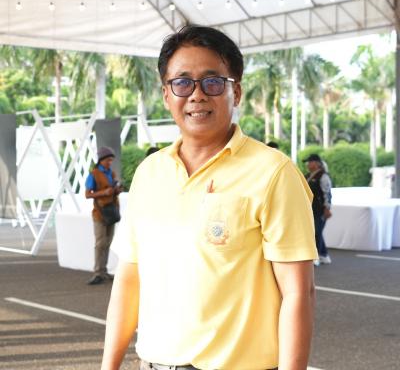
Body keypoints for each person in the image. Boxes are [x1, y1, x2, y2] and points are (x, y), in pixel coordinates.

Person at [101, 25, 318, 370]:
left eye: (213, 82)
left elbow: (298, 293)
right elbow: (129, 281)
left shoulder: (274, 173)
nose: (197, 95)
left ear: (237, 92)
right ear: (166, 95)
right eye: (182, 82)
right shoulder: (149, 173)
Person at [85, 146, 122, 285]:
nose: (110, 162)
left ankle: (103, 271)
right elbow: (87, 194)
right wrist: (104, 193)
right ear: (101, 160)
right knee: (100, 243)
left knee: (107, 242)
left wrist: (116, 190)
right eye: (108, 160)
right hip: (100, 213)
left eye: (111, 160)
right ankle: (97, 272)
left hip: (111, 211)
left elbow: (111, 189)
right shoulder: (94, 174)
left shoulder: (111, 173)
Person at [304, 153, 333, 266]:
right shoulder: (307, 176)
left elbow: (327, 193)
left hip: (319, 209)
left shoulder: (323, 176)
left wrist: (327, 208)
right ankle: (324, 255)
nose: (308, 164)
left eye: (309, 162)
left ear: (316, 163)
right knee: (316, 231)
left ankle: (315, 257)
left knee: (316, 231)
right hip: (309, 209)